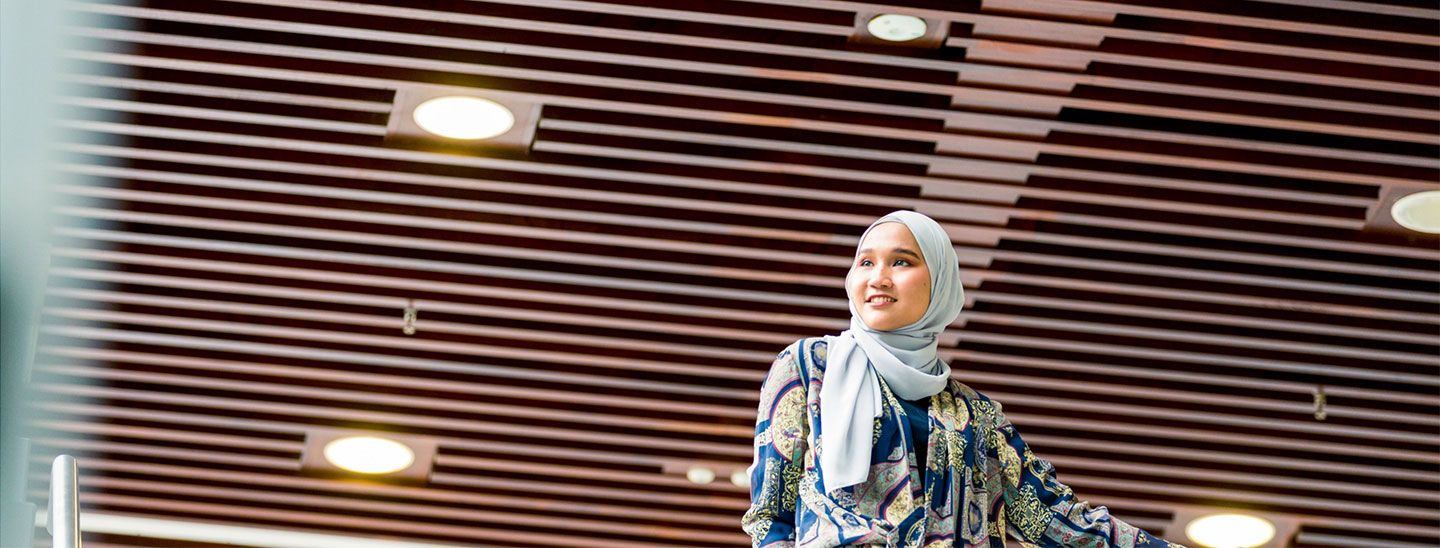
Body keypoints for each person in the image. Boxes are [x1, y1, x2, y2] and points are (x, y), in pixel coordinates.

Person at [741, 210, 1182, 547]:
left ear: (940, 284)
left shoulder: (978, 417)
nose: (878, 277)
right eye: (865, 262)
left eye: (900, 262)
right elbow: (769, 516)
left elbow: (1051, 516)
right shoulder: (809, 365)